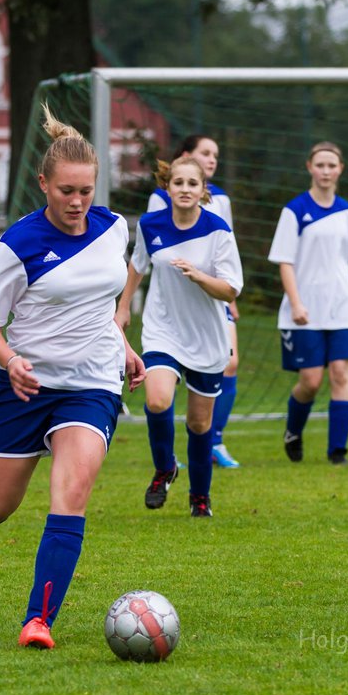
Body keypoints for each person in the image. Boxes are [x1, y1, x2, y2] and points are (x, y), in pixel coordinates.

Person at [0, 104, 145, 651]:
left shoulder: (113, 230)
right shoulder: (18, 245)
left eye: (86, 190)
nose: (78, 202)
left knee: (73, 489)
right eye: (67, 191)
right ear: (44, 184)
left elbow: (100, 306)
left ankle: (38, 620)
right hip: (25, 386)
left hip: (93, 383)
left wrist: (124, 346)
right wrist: (11, 360)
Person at [116, 157, 244, 518]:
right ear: (167, 188)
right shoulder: (150, 224)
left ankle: (199, 497)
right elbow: (138, 266)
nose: (185, 189)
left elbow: (231, 289)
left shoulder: (218, 230)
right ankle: (164, 468)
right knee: (157, 400)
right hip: (163, 330)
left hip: (207, 336)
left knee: (199, 424)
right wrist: (123, 308)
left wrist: (200, 276)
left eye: (192, 184)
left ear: (204, 190)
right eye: (178, 183)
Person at [267, 141, 348, 465]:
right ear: (309, 167)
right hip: (304, 312)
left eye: (332, 165)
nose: (326, 171)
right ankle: (293, 430)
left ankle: (337, 452)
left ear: (340, 169)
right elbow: (284, 262)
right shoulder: (294, 210)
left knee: (341, 374)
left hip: (343, 309)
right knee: (310, 381)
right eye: (320, 165)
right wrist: (296, 303)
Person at [147, 135, 244, 469]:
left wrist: (224, 290)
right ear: (184, 157)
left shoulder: (221, 204)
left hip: (212, 298)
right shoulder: (160, 202)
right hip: (172, 309)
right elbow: (148, 255)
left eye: (216, 155)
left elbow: (227, 254)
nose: (212, 159)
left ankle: (214, 438)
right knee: (160, 396)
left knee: (230, 363)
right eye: (206, 153)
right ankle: (169, 461)